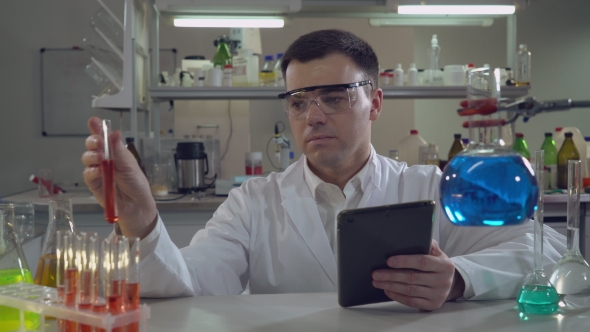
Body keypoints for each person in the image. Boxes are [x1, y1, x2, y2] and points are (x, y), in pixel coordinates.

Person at [82, 29, 566, 310]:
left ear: (374, 103)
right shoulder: (253, 203)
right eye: (298, 101)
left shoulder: (429, 188)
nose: (313, 115)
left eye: (334, 97)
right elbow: (191, 282)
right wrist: (142, 221)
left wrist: (459, 277)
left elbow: (552, 251)